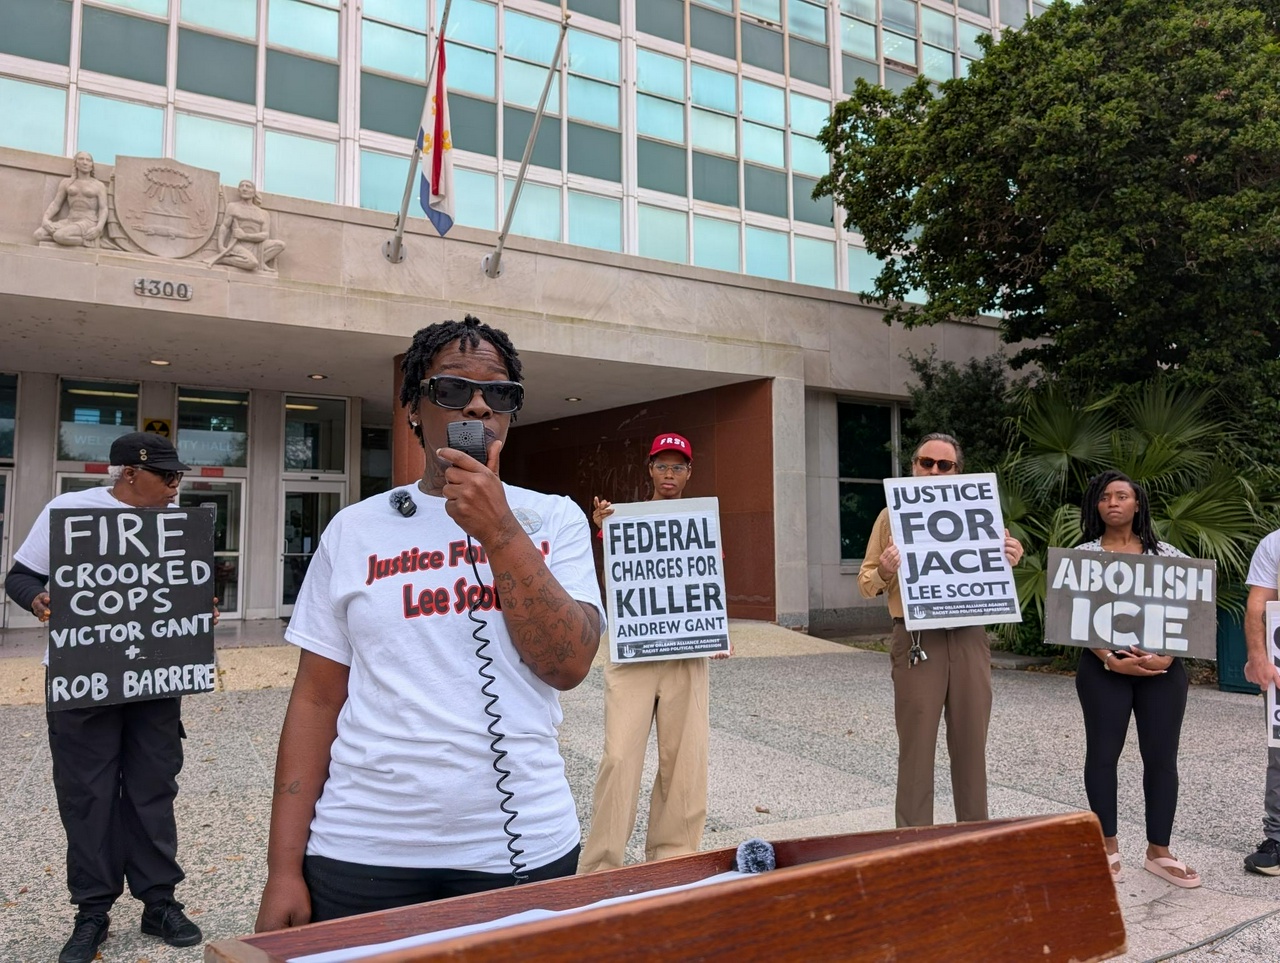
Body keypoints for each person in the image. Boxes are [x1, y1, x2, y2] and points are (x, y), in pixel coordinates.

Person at [255, 316, 604, 929]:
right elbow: (315, 700)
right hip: (363, 846)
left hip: (519, 842)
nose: (477, 404)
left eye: (500, 393)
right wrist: (282, 870)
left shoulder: (554, 521)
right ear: (414, 408)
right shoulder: (355, 530)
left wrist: (499, 530)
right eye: (450, 390)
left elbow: (569, 664)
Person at [3, 432, 203, 963]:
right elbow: (19, 577)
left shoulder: (175, 523)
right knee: (87, 796)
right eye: (167, 476)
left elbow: (181, 590)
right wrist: (38, 599)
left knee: (153, 790)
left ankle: (159, 902)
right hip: (83, 680)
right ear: (130, 474)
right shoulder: (69, 511)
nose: (175, 486)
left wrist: (193, 613)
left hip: (154, 681)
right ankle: (92, 911)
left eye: (178, 477)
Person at [578, 433, 729, 874]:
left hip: (686, 653)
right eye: (662, 466)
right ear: (649, 470)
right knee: (619, 758)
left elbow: (709, 580)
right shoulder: (624, 519)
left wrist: (716, 628)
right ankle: (601, 867)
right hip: (633, 654)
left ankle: (674, 859)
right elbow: (617, 572)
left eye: (677, 467)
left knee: (684, 760)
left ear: (689, 473)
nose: (669, 474)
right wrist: (603, 525)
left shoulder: (700, 521)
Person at [858, 433, 1023, 828]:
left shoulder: (980, 511)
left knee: (971, 746)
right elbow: (865, 582)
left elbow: (989, 572)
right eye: (925, 462)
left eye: (943, 465)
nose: (933, 470)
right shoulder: (890, 516)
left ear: (957, 471)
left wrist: (1010, 559)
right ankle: (915, 845)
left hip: (969, 637)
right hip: (916, 639)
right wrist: (884, 569)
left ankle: (975, 839)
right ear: (913, 466)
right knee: (915, 749)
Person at [1072, 470, 1200, 888]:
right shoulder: (1083, 556)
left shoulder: (1168, 555)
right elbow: (1072, 615)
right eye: (1105, 496)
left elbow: (1193, 612)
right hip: (1103, 670)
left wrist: (1167, 657)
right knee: (1102, 754)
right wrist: (1109, 658)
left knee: (1162, 759)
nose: (1113, 502)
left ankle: (1159, 852)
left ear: (1137, 504)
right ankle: (1107, 845)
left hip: (1162, 672)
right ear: (1096, 506)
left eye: (1122, 495)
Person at [1241, 527, 1280, 876]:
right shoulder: (1276, 542)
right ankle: (1278, 840)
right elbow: (1258, 604)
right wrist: (1258, 656)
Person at [33, 151, 109, 248]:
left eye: (88, 160)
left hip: (88, 221)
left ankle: (89, 241)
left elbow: (104, 208)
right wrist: (45, 219)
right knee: (39, 234)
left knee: (59, 236)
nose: (85, 162)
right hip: (70, 220)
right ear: (76, 163)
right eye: (81, 159)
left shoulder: (98, 185)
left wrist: (98, 228)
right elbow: (56, 203)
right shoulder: (66, 182)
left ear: (91, 165)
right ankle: (70, 238)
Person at [211, 180, 285, 271]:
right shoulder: (233, 207)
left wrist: (245, 236)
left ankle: (261, 262)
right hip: (238, 245)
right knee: (252, 263)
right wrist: (221, 246)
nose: (244, 189)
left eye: (248, 186)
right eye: (242, 186)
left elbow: (265, 235)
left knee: (280, 245)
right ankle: (224, 259)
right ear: (239, 190)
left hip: (258, 245)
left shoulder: (263, 213)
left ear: (254, 192)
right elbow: (225, 227)